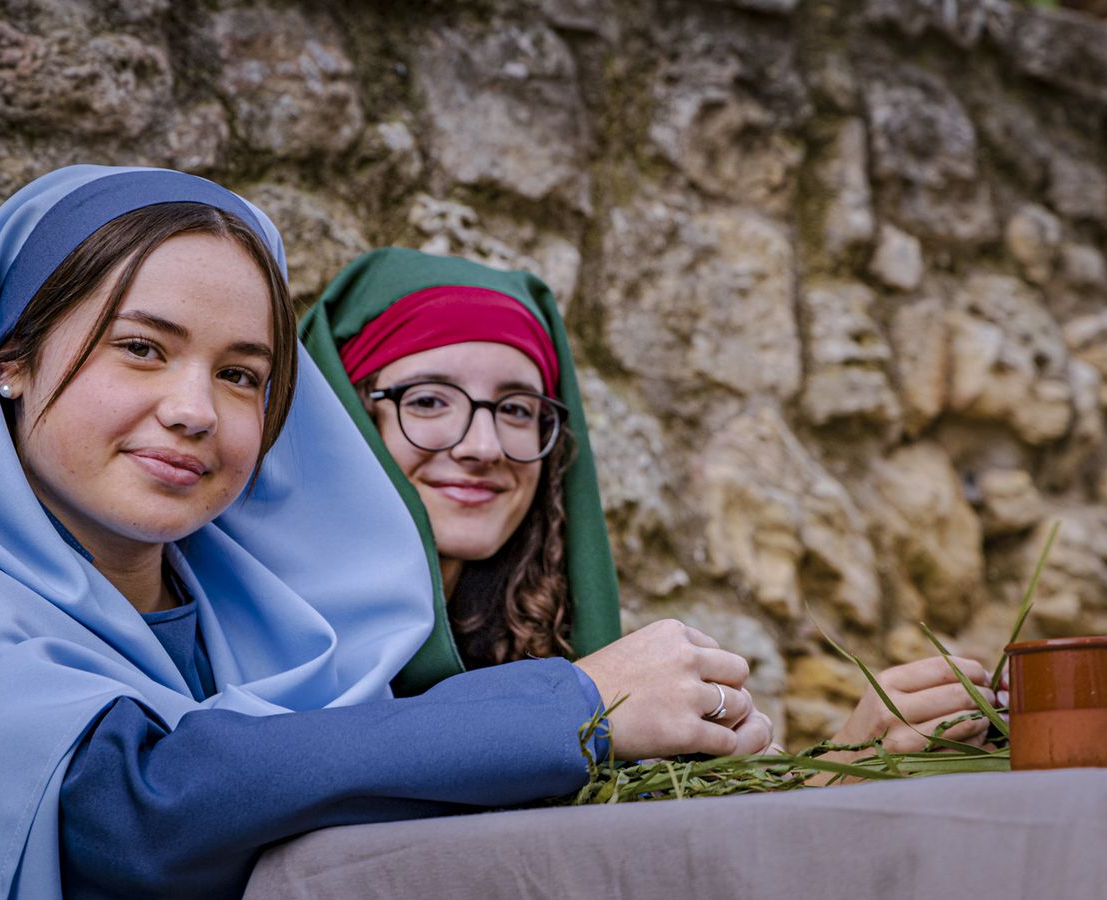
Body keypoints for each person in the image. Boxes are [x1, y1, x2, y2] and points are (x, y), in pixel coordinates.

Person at [0, 166, 771, 899]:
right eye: (141, 348)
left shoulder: (247, 606)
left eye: (242, 374)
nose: (193, 409)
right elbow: (136, 810)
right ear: (11, 357)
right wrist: (581, 703)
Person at [303, 248, 998, 760]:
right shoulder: (280, 651)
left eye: (517, 409)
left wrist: (853, 755)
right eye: (428, 400)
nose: (485, 444)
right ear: (345, 417)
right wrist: (576, 704)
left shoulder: (544, 646)